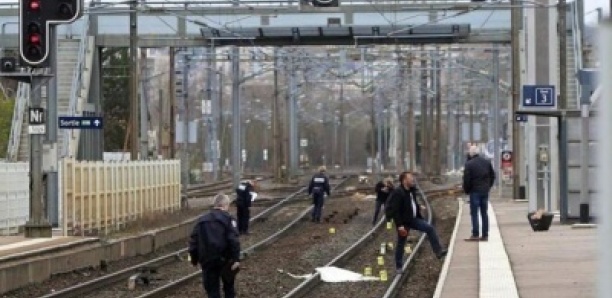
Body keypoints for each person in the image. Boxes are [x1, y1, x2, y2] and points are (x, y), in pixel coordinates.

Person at [386, 171, 447, 273]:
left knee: (429, 228)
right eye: (410, 178)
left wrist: (418, 208)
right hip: (403, 222)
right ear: (404, 180)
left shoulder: (411, 190)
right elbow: (395, 211)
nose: (413, 180)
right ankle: (399, 266)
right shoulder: (398, 192)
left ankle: (438, 251)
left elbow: (411, 203)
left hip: (413, 219)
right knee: (401, 243)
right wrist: (400, 225)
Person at [188, 194, 241, 298]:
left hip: (207, 260)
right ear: (225, 205)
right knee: (229, 288)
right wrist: (236, 259)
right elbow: (233, 240)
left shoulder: (201, 221)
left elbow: (193, 242)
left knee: (212, 290)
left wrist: (193, 259)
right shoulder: (229, 219)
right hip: (226, 260)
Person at [462, 145, 496, 241]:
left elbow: (466, 180)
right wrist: (488, 186)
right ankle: (485, 235)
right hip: (484, 191)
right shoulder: (486, 162)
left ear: (471, 154)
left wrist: (467, 190)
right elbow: (493, 175)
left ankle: (475, 234)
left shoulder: (469, 164)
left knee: (474, 213)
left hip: (474, 191)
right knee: (484, 213)